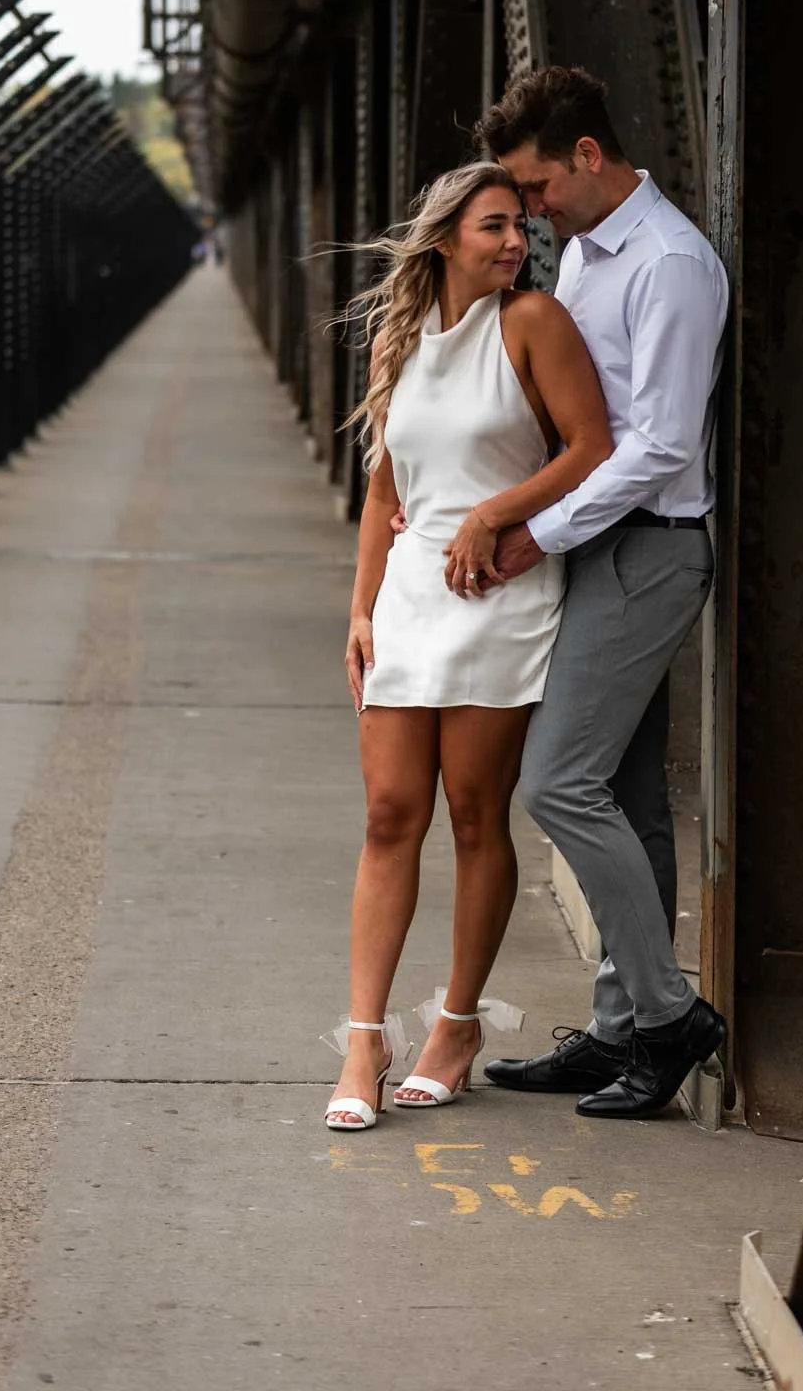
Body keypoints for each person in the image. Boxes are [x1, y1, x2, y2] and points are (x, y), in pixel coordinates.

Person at [325, 162, 613, 1130]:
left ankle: (454, 1024)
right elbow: (379, 491)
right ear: (445, 236)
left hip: (500, 593)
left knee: (474, 812)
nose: (512, 243)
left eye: (517, 228)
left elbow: (590, 448)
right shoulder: (394, 339)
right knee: (388, 812)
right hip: (410, 594)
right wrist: (360, 608)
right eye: (492, 227)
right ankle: (363, 1038)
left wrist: (496, 512)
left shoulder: (531, 324)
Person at [475, 66, 731, 1119]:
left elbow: (662, 443)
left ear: (586, 156)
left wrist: (537, 532)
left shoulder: (668, 264)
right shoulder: (583, 253)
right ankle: (622, 1029)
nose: (529, 213)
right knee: (621, 793)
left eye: (536, 188)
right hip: (600, 545)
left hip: (645, 549)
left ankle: (671, 1018)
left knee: (556, 784)